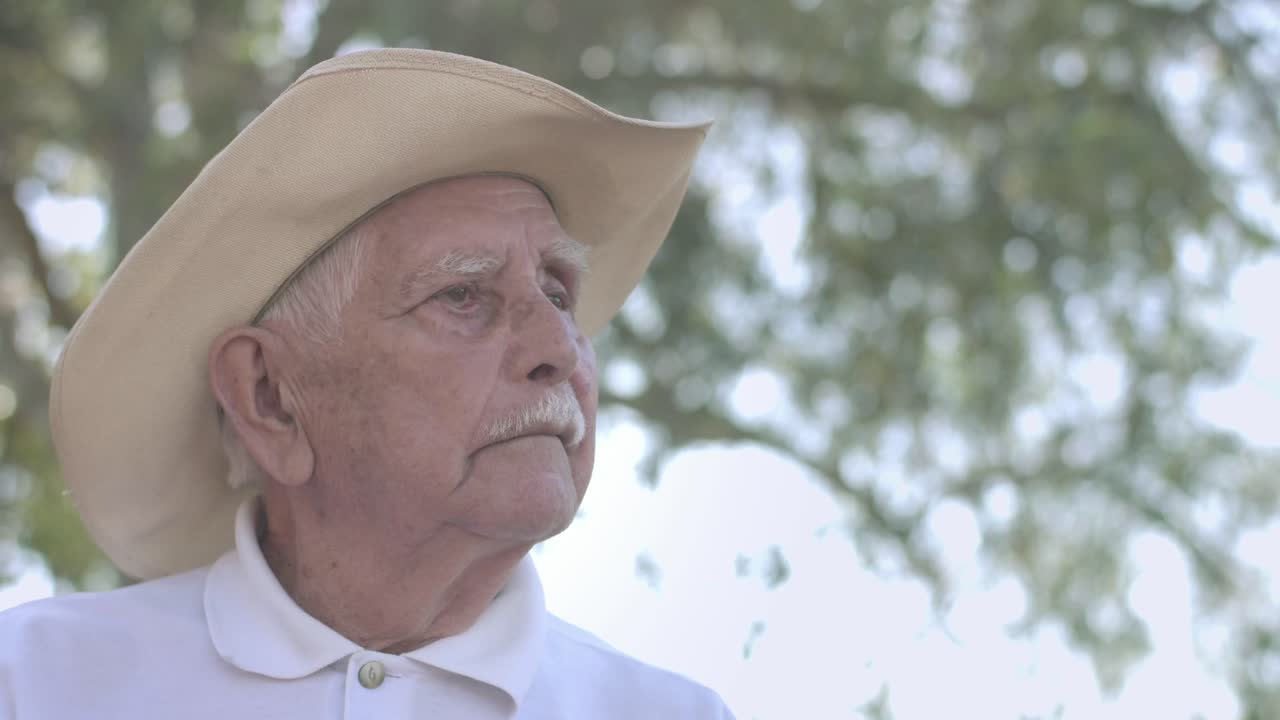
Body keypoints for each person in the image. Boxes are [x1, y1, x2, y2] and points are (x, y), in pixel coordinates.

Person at [0, 48, 733, 719]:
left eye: (561, 294)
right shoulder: (35, 684)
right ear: (269, 398)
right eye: (463, 296)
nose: (559, 349)